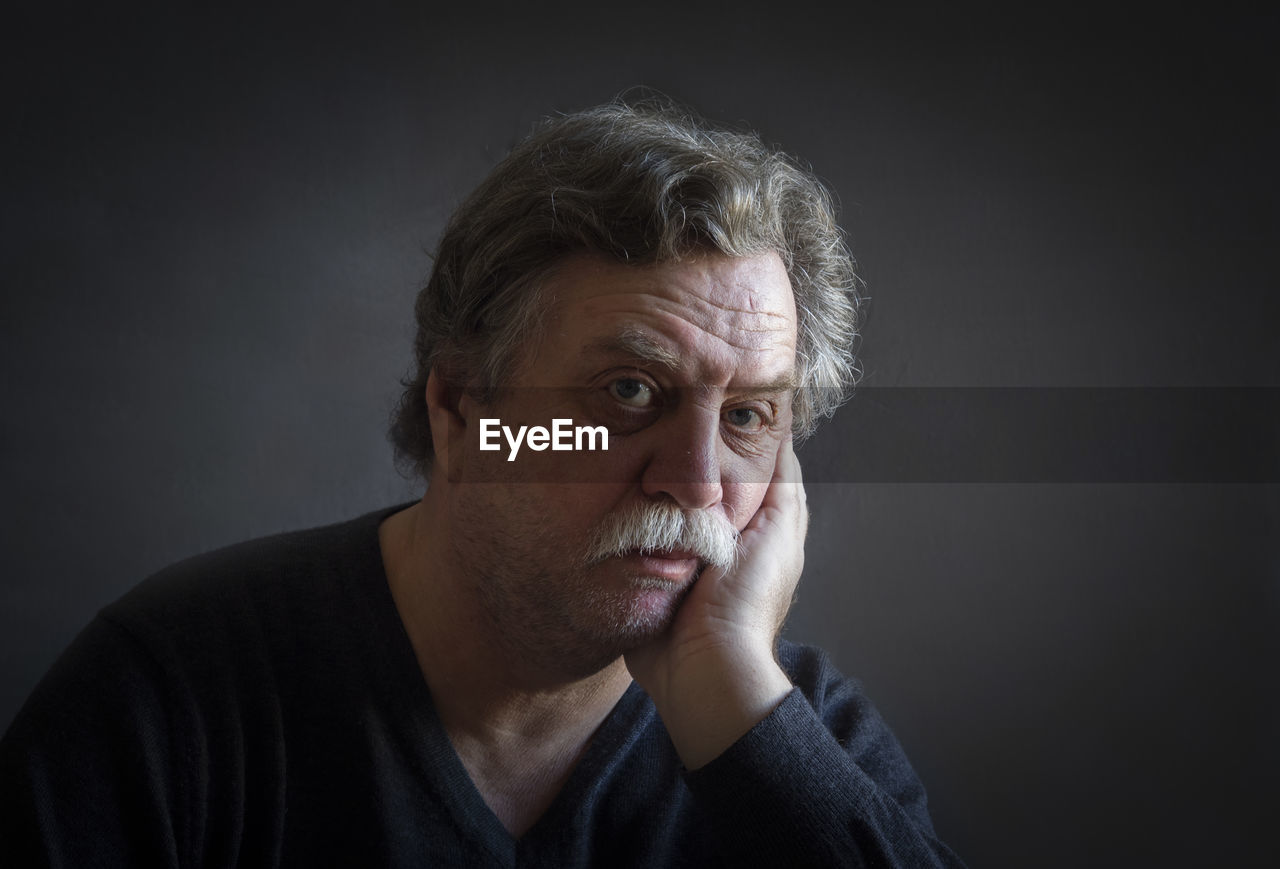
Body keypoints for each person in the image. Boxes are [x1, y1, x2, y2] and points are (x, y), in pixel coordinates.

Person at [0, 100, 965, 867]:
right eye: (629, 391)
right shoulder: (175, 699)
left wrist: (733, 700)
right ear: (461, 409)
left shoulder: (797, 735)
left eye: (750, 415)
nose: (698, 482)